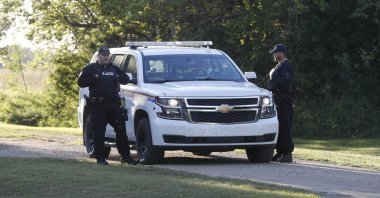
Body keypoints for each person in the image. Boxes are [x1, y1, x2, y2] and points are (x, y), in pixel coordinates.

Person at [77, 46, 138, 165]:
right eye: (103, 55)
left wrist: (118, 77)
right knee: (99, 131)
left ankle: (126, 157)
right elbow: (81, 82)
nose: (105, 57)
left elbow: (125, 79)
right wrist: (94, 78)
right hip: (98, 105)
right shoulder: (91, 68)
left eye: (107, 55)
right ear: (99, 55)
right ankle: (100, 158)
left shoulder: (114, 68)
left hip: (113, 104)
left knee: (121, 129)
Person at [268, 44, 294, 163]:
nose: (274, 54)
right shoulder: (278, 66)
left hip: (284, 101)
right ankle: (280, 151)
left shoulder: (287, 67)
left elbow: (284, 83)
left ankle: (287, 153)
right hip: (276, 100)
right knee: (278, 126)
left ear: (282, 53)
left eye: (276, 52)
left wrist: (274, 84)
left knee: (284, 126)